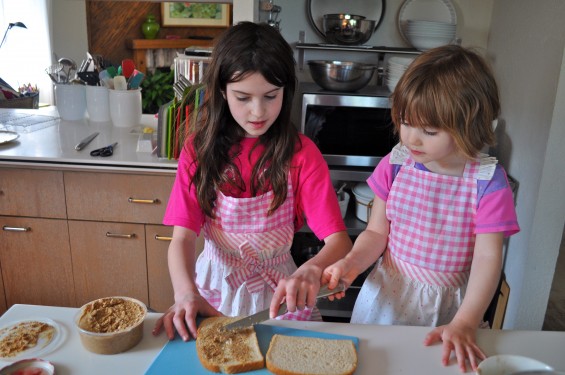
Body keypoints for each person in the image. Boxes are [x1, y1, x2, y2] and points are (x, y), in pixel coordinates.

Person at [322, 45, 520, 373]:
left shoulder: (487, 181)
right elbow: (375, 232)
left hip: (451, 309)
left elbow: (488, 257)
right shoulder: (396, 164)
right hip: (386, 297)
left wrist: (467, 321)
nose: (412, 139)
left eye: (429, 131)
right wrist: (352, 263)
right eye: (405, 122)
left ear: (468, 124)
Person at [152, 21, 352, 342]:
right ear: (221, 91)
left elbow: (339, 242)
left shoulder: (301, 154)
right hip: (215, 290)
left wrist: (310, 270)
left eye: (270, 96)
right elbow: (183, 239)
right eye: (243, 97)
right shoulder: (199, 151)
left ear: (286, 92)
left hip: (281, 293)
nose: (258, 111)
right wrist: (185, 294)